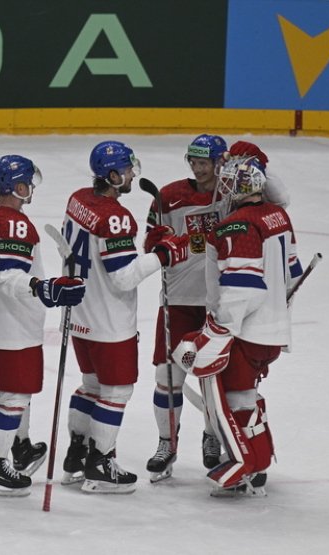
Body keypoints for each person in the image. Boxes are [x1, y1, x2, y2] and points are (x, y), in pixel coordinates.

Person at [60, 141, 189, 494]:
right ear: (114, 176)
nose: (133, 174)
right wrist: (164, 254)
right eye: (128, 169)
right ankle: (100, 463)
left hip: (79, 313)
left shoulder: (77, 199)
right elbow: (123, 276)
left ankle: (77, 454)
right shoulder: (116, 217)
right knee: (116, 391)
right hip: (108, 321)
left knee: (91, 387)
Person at [172, 155, 302, 497]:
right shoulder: (278, 216)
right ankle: (258, 466)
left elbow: (243, 288)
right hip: (274, 329)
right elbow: (293, 271)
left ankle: (245, 465)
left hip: (246, 330)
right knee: (248, 396)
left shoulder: (236, 225)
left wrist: (217, 329)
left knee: (228, 397)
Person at [0, 155, 86, 497]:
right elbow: (9, 277)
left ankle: (20, 446)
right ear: (18, 186)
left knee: (20, 392)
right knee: (14, 396)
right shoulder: (16, 225)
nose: (31, 188)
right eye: (28, 182)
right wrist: (43, 288)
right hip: (9, 323)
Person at [142, 135, 228, 482]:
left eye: (204, 161)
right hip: (177, 299)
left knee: (214, 380)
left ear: (220, 162)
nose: (196, 167)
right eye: (192, 160)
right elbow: (149, 244)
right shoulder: (169, 195)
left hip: (218, 303)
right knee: (167, 378)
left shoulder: (231, 195)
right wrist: (159, 239)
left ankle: (212, 436)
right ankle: (167, 443)